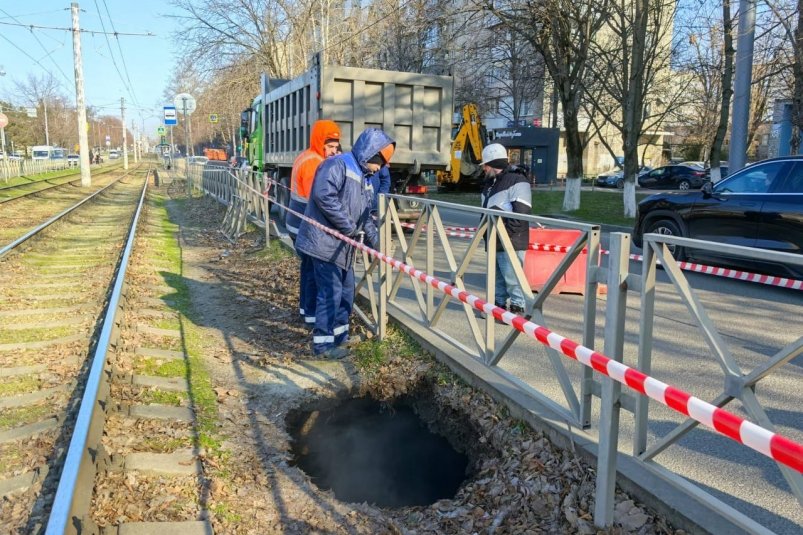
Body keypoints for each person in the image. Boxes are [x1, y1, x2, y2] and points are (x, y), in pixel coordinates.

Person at [295, 128, 395, 359]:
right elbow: (323, 196)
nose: (381, 168)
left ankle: (340, 337)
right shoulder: (337, 165)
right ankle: (323, 345)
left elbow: (366, 216)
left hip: (343, 248)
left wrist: (379, 245)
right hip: (323, 245)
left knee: (346, 293)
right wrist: (349, 228)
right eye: (380, 162)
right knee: (330, 293)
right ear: (370, 155)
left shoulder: (366, 179)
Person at [286, 120, 341, 327]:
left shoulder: (309, 156)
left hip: (298, 222)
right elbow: (318, 199)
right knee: (313, 272)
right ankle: (311, 316)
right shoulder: (313, 163)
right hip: (303, 225)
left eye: (336, 146)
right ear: (321, 142)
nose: (334, 151)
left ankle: (306, 311)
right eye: (331, 146)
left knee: (308, 268)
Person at [479, 143, 532, 315]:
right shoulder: (490, 183)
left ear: (493, 164)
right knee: (497, 280)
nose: (484, 169)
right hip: (494, 239)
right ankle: (498, 309)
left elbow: (521, 214)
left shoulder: (518, 180)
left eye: (485, 165)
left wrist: (504, 237)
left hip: (511, 241)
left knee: (513, 280)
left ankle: (518, 312)